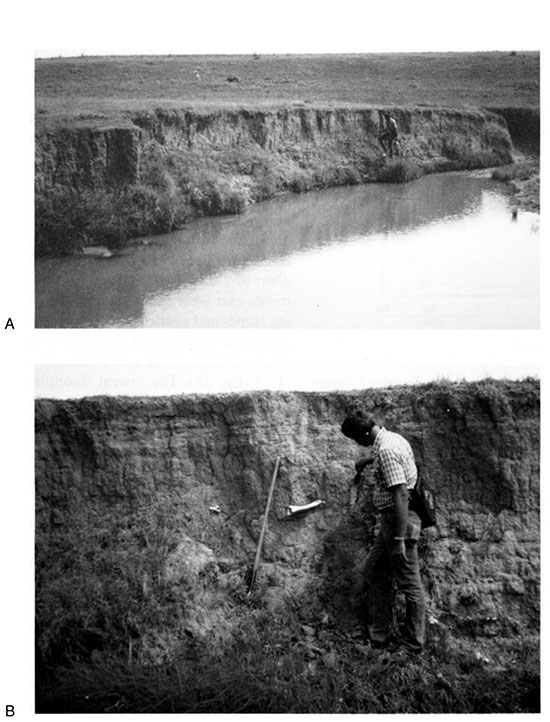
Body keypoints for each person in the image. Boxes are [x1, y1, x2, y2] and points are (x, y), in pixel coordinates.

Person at [341, 410, 426, 654]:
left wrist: (399, 539)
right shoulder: (392, 440)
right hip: (393, 521)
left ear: (365, 433)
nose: (358, 444)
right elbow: (389, 461)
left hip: (400, 521)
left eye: (357, 439)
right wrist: (366, 462)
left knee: (410, 584)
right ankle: (379, 636)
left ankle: (413, 645)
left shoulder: (387, 450)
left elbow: (400, 494)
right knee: (374, 571)